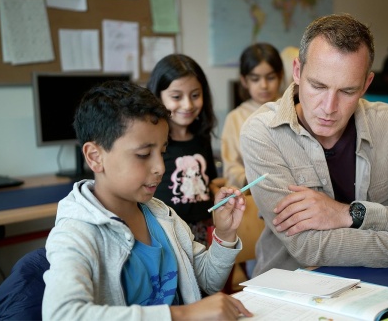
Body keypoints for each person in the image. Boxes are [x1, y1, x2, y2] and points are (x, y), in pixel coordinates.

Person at [239, 13, 388, 277]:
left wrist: (350, 214)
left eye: (347, 91)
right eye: (318, 86)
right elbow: (309, 246)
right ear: (298, 72)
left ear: (366, 84)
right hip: (293, 289)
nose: (329, 108)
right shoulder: (262, 132)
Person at [42, 80, 252, 320]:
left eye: (162, 152)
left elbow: (206, 280)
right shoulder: (76, 233)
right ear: (95, 157)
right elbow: (62, 315)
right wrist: (181, 314)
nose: (160, 167)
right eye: (143, 155)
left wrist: (224, 236)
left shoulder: (161, 215)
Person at [147, 54, 219, 246]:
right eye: (176, 97)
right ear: (157, 96)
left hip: (203, 233)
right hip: (165, 233)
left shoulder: (202, 138)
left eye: (195, 95)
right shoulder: (150, 142)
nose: (187, 105)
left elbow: (209, 184)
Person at [221, 43, 284, 189]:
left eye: (270, 77)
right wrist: (252, 181)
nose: (263, 85)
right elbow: (231, 168)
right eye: (255, 79)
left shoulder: (292, 109)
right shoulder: (235, 118)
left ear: (280, 76)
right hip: (253, 195)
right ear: (244, 80)